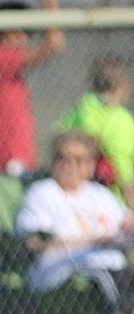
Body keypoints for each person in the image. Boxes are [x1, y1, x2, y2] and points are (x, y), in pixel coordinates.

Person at [15, 130, 134, 314]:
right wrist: (91, 240)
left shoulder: (101, 195)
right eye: (62, 158)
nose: (69, 166)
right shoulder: (42, 193)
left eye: (78, 160)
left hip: (111, 263)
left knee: (120, 274)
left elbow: (124, 228)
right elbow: (35, 242)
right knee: (106, 276)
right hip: (60, 270)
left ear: (90, 166)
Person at [0, 0, 65, 177]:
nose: (24, 39)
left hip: (14, 161)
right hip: (7, 162)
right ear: (6, 32)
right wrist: (50, 6)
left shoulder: (2, 63)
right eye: (20, 32)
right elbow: (54, 45)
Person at [55, 55, 134, 206]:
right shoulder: (119, 119)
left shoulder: (85, 106)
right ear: (123, 86)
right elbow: (123, 168)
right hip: (109, 196)